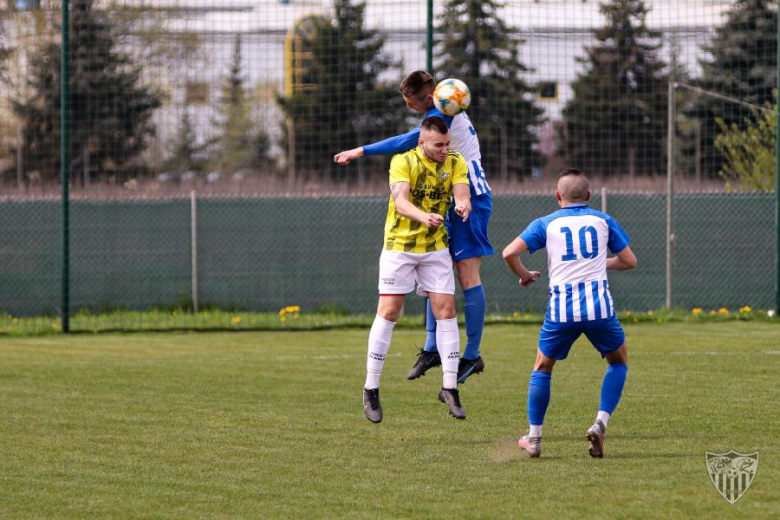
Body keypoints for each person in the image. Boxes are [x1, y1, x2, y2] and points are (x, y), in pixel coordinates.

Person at [335, 70, 493, 385]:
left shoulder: (444, 114)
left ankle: (472, 356)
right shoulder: (442, 109)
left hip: (470, 198)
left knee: (466, 275)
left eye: (409, 102)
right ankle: (433, 348)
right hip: (448, 199)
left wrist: (361, 150)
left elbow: (409, 141)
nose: (409, 108)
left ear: (425, 97)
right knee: (437, 272)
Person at [502, 168, 637, 458]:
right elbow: (629, 261)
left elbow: (508, 253)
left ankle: (535, 438)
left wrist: (525, 274)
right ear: (588, 196)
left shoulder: (545, 223)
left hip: (562, 311)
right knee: (618, 362)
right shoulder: (603, 220)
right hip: (599, 308)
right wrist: (599, 263)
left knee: (542, 367)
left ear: (557, 196)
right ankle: (600, 423)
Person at [362, 116, 472, 423]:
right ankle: (371, 387)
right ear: (421, 142)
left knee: (446, 309)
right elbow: (401, 203)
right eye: (438, 144)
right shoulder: (403, 161)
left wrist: (463, 205)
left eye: (447, 143)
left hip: (435, 249)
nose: (444, 149)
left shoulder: (455, 161)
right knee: (389, 311)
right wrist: (424, 217)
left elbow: (462, 193)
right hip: (399, 247)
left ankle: (449, 387)